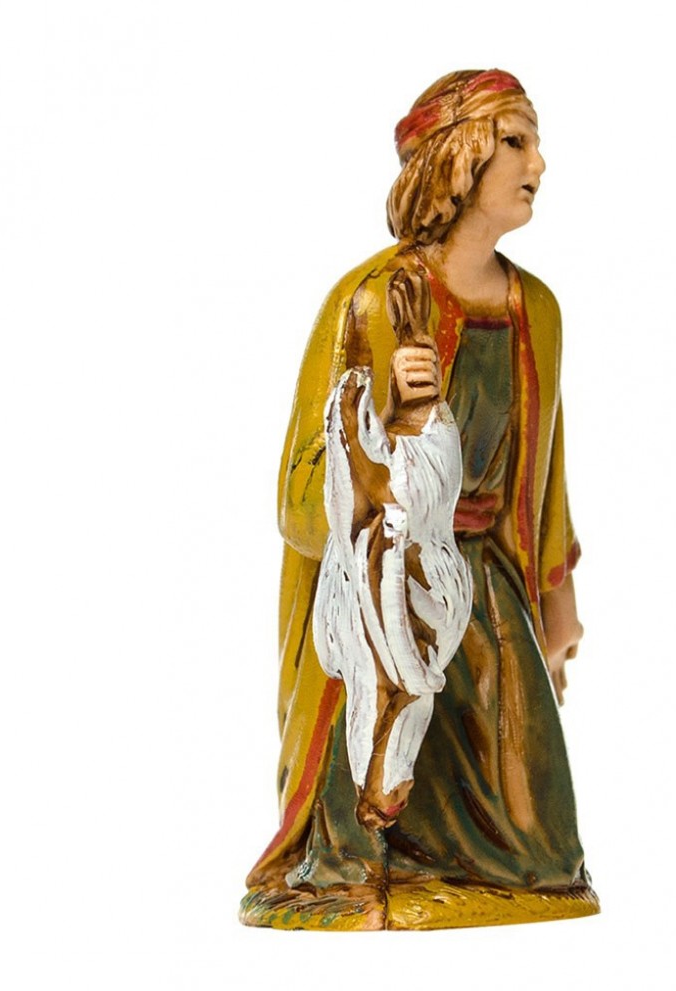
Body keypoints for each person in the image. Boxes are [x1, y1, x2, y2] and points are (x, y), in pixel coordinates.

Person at [241, 69, 599, 930]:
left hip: (487, 584)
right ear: (460, 159)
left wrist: (557, 599)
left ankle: (468, 874)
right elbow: (304, 491)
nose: (538, 164)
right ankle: (353, 869)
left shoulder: (535, 309)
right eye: (514, 141)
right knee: (373, 757)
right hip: (383, 585)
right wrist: (387, 421)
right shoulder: (373, 302)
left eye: (534, 142)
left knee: (543, 852)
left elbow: (543, 476)